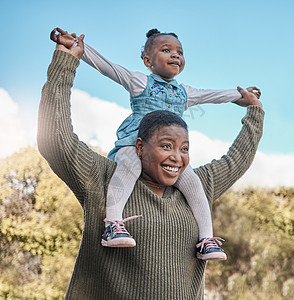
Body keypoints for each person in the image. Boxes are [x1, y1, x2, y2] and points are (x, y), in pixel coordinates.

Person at [37, 33, 264, 299]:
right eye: (166, 146)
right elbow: (55, 138)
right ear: (142, 146)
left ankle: (207, 240)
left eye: (185, 148)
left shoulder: (197, 185)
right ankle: (114, 224)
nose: (177, 157)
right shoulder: (102, 178)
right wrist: (68, 59)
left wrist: (252, 108)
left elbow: (235, 158)